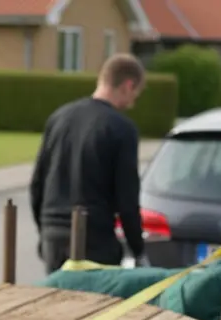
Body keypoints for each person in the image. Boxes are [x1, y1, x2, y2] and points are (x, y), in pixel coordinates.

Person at [29, 53, 147, 273]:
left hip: (53, 234)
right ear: (128, 85)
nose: (133, 103)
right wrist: (137, 249)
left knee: (55, 294)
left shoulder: (59, 118)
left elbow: (38, 184)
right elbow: (127, 198)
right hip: (94, 238)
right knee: (94, 297)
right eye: (135, 94)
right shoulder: (121, 129)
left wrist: (44, 230)